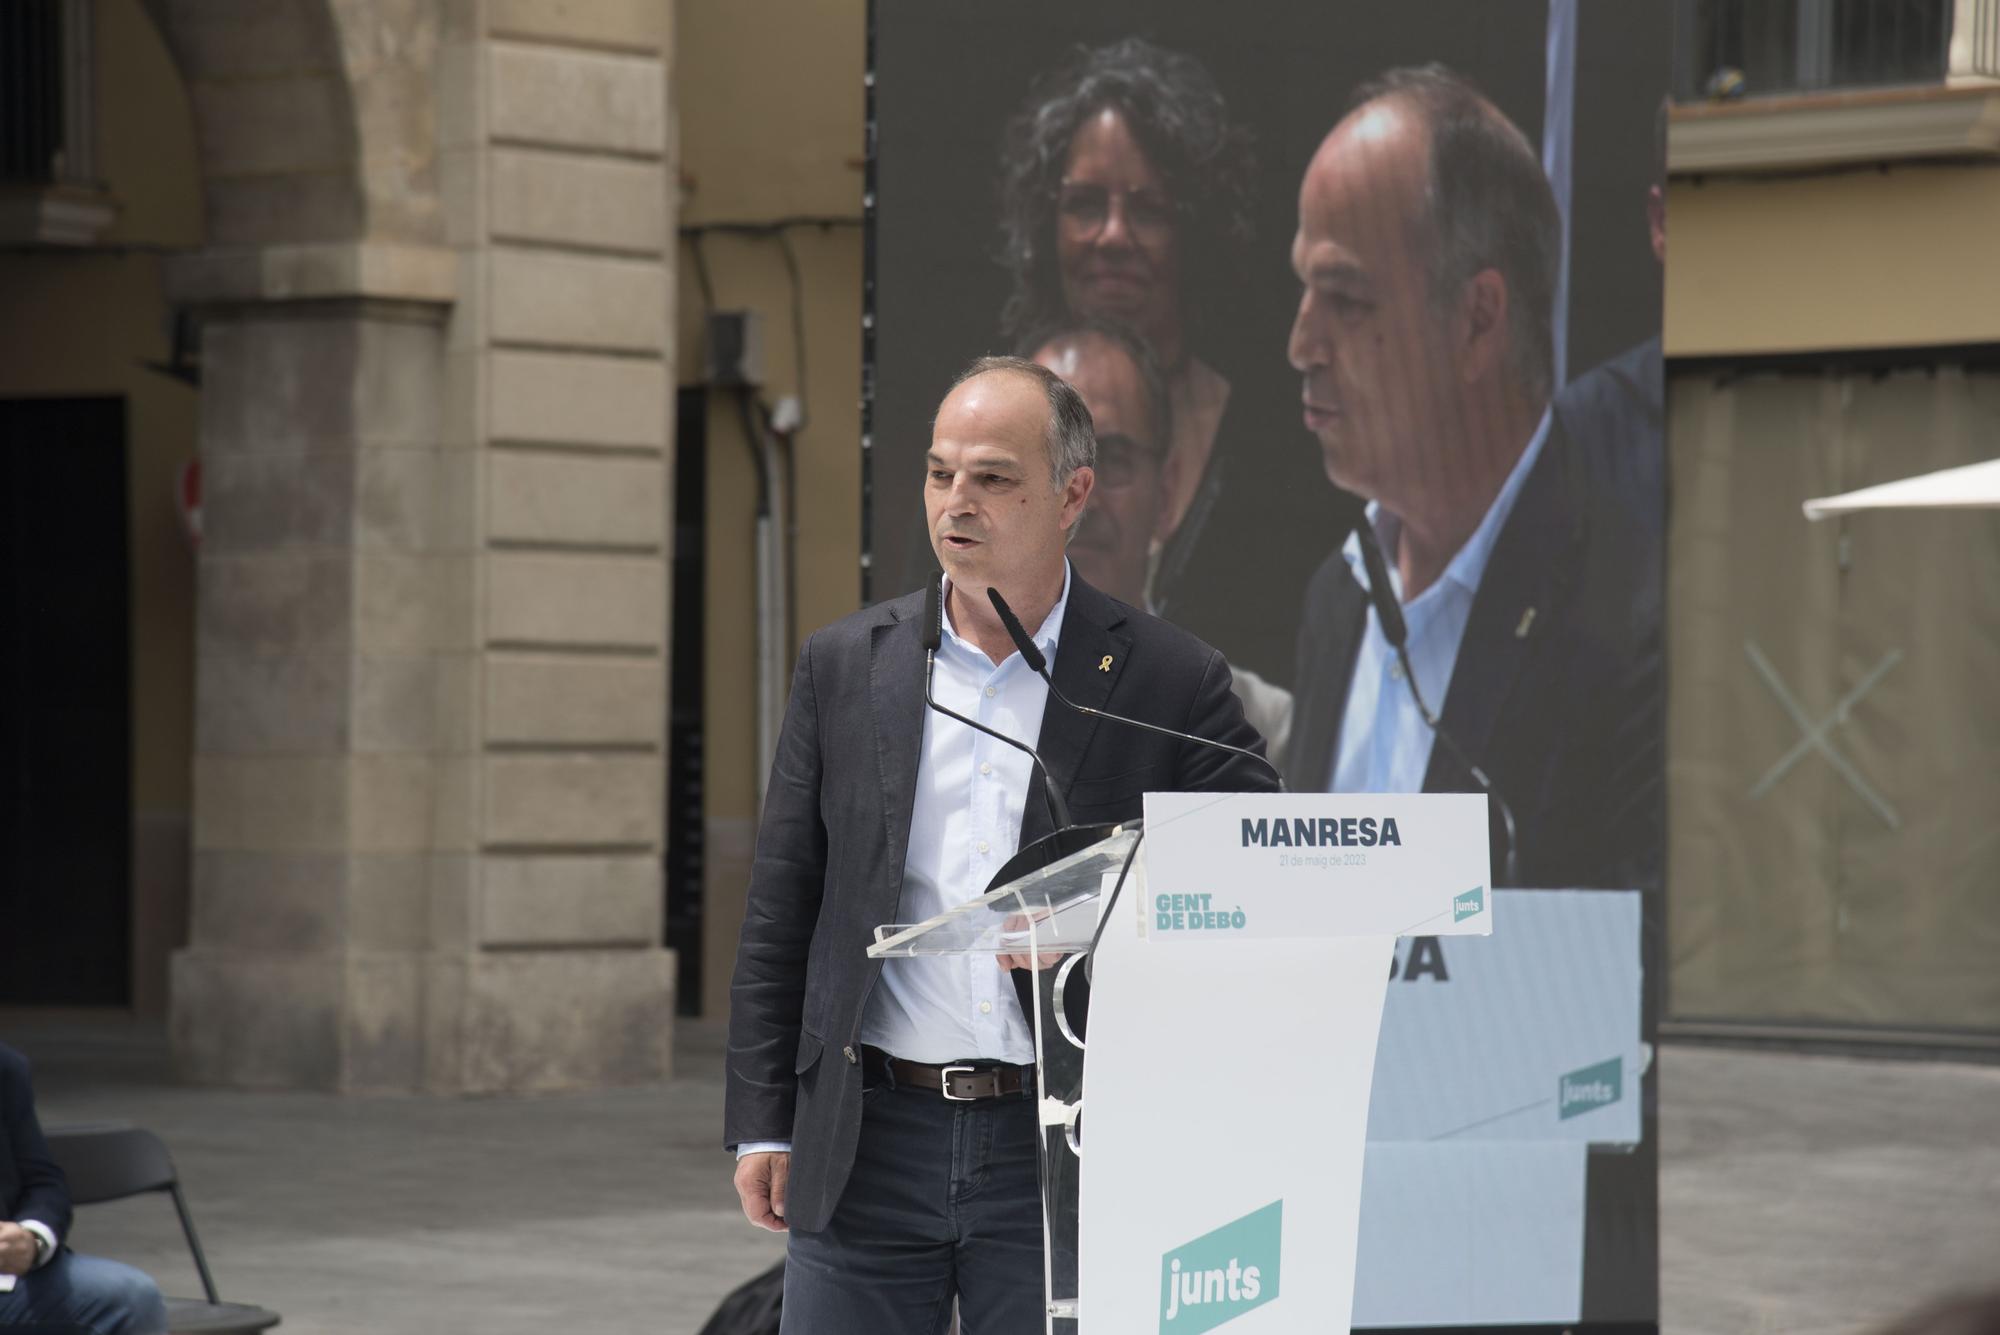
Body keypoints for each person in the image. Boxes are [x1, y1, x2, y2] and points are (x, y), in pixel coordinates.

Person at [725, 356, 1276, 1333]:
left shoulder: (1165, 678)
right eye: (940, 474)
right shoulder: (846, 665)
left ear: (1071, 495)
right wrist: (764, 1120)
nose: (956, 502)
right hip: (867, 1136)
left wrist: (1110, 932)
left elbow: (1250, 871)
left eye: (991, 477)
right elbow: (784, 906)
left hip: (1060, 1140)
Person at [1283, 65, 1662, 893]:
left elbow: (1627, 968)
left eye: (1345, 299)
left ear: (1477, 320)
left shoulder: (1636, 604)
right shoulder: (1336, 599)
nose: (1301, 344)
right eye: (1303, 290)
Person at [1027, 320, 1294, 764]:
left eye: (1113, 459)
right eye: (1050, 459)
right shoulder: (932, 694)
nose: (1081, 500)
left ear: (1166, 493)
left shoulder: (1257, 725)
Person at [0, 1043, 167, 1335]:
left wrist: (32, 1239)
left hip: (7, 1279)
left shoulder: (6, 1069)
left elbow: (43, 1181)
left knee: (133, 1297)